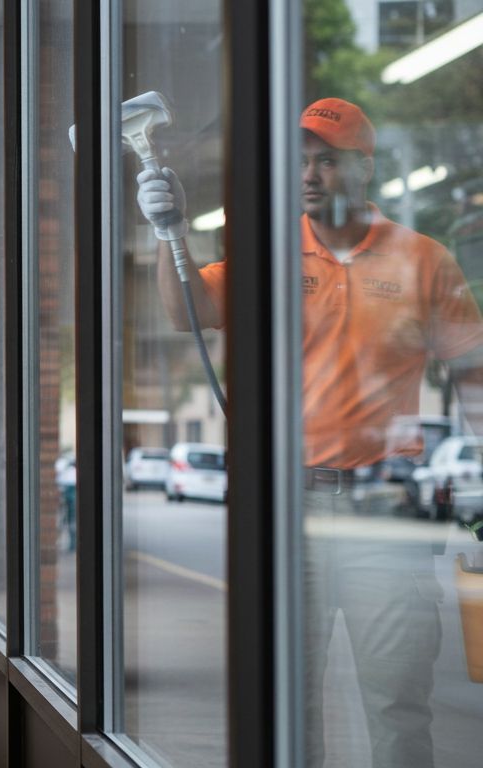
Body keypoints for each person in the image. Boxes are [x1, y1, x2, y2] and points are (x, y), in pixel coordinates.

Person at [136, 97, 483, 767]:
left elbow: (473, 375)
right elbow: (187, 310)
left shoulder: (423, 260)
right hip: (283, 510)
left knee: (397, 701)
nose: (310, 173)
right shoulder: (267, 256)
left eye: (328, 159)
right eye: (300, 160)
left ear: (364, 169)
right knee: (286, 702)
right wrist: (167, 231)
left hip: (387, 514)